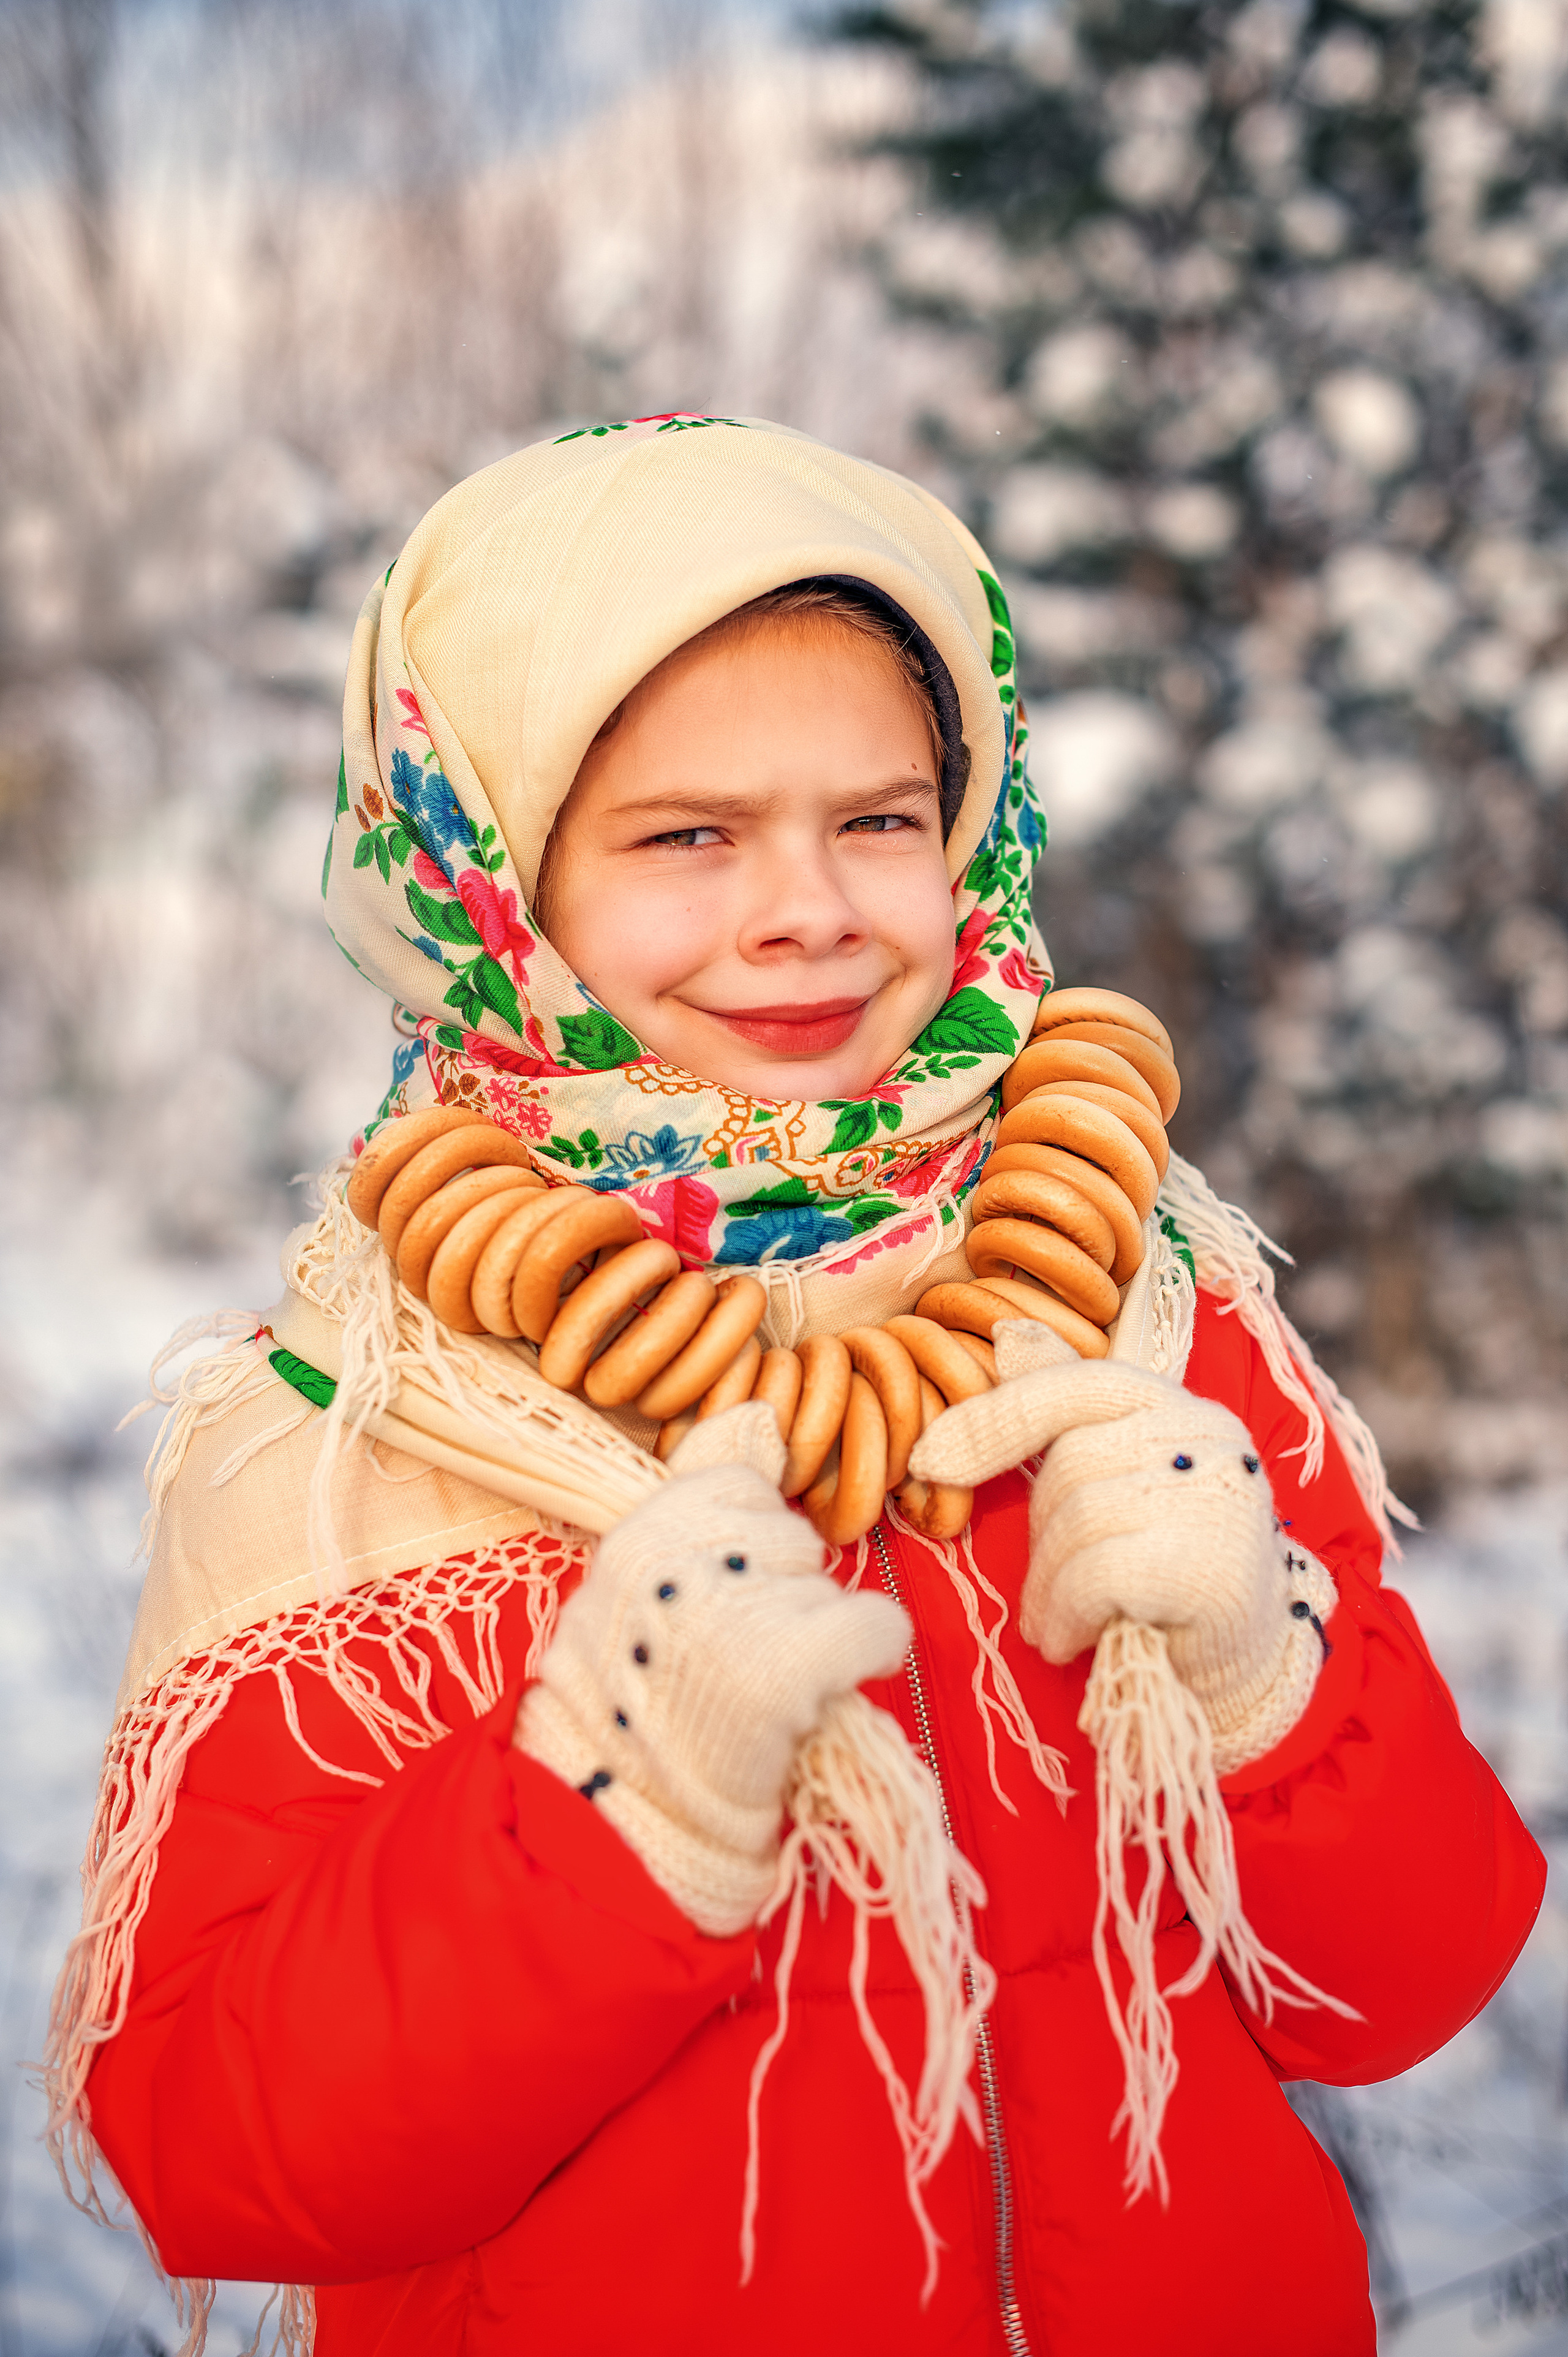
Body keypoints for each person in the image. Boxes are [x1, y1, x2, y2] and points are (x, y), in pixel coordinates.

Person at [49, 415, 1543, 2357]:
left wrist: (1273, 1680)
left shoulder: (1142, 1310)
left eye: (881, 820)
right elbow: (221, 2154)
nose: (811, 908)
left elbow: (1402, 1988)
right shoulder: (359, 1437)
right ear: (492, 877)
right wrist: (606, 1803)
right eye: (689, 835)